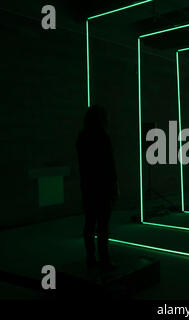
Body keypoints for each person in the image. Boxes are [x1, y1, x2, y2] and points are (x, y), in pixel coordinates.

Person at [76, 105, 119, 270]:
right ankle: (105, 260)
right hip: (102, 187)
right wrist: (115, 185)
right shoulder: (103, 137)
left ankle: (91, 258)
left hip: (88, 186)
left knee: (89, 223)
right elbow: (109, 164)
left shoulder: (82, 137)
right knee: (102, 226)